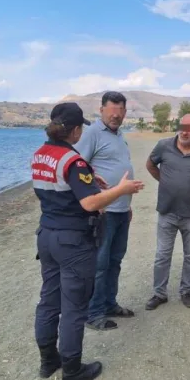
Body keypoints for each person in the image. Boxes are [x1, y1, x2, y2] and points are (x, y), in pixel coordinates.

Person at [31, 102, 145, 380]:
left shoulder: (41, 155)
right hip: (73, 240)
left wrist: (89, 176)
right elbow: (90, 202)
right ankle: (72, 371)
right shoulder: (74, 161)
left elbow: (58, 183)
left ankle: (48, 361)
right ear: (77, 130)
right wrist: (121, 190)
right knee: (73, 307)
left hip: (47, 234)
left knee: (49, 300)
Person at [73, 91, 137, 331]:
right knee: (99, 264)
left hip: (121, 210)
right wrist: (94, 201)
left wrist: (127, 205)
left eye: (120, 112)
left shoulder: (120, 136)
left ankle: (110, 303)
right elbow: (78, 169)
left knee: (115, 261)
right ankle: (94, 312)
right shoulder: (91, 134)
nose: (116, 116)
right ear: (101, 110)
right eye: (112, 111)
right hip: (103, 212)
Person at [144, 114, 190, 310]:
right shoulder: (163, 146)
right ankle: (159, 294)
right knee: (162, 255)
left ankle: (187, 291)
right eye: (182, 127)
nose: (185, 132)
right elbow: (150, 165)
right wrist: (165, 181)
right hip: (167, 211)